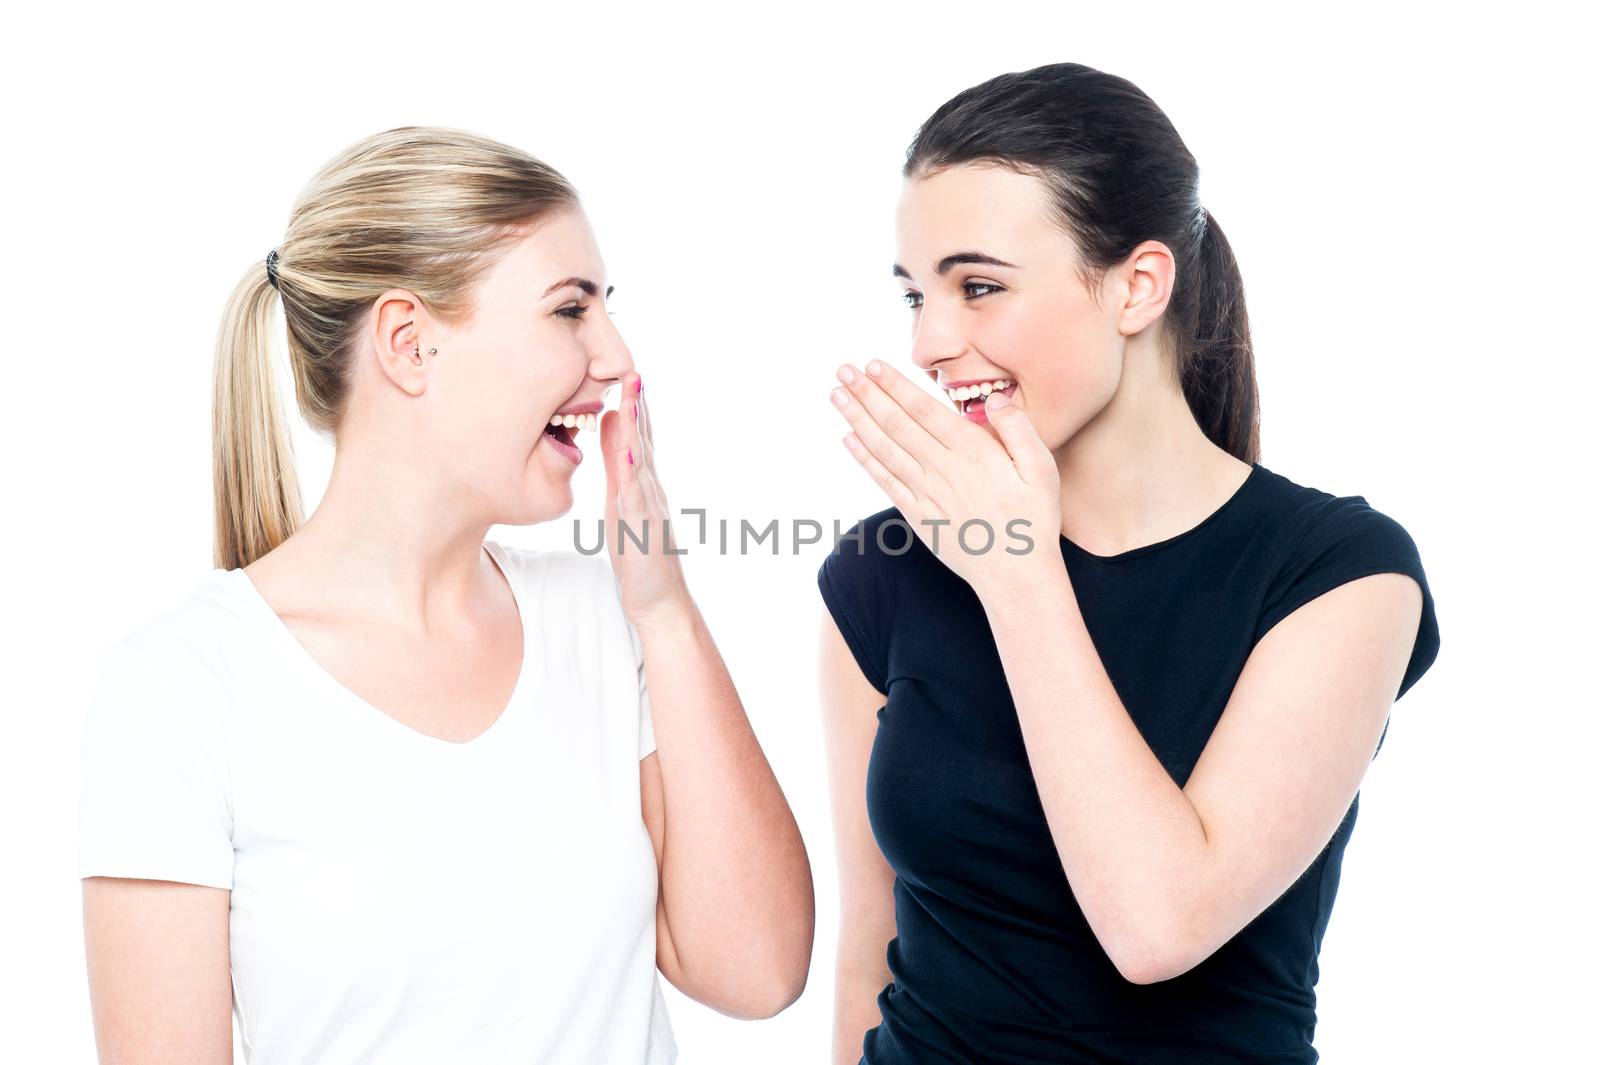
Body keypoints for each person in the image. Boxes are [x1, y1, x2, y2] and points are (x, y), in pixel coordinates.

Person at [79, 126, 813, 1064]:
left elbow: (756, 974)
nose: (618, 358)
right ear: (409, 344)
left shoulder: (600, 617)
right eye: (569, 310)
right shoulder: (180, 688)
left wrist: (665, 609)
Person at [818, 64, 1440, 1064]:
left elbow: (1157, 924)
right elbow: (866, 956)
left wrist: (1017, 573)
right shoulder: (883, 569)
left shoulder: (1341, 574)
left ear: (1137, 286)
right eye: (914, 294)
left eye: (978, 286)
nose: (931, 342)